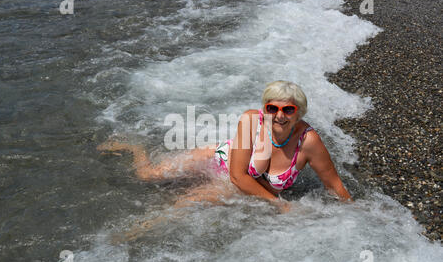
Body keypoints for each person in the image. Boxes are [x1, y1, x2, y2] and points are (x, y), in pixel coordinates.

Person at [98, 80, 352, 241]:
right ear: (265, 108)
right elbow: (238, 176)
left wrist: (356, 215)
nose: (280, 116)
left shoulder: (308, 142)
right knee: (148, 176)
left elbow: (334, 185)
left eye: (289, 110)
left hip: (237, 184)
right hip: (223, 161)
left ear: (299, 113)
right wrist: (280, 204)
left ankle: (133, 235)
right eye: (273, 108)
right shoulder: (252, 120)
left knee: (183, 204)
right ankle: (135, 147)